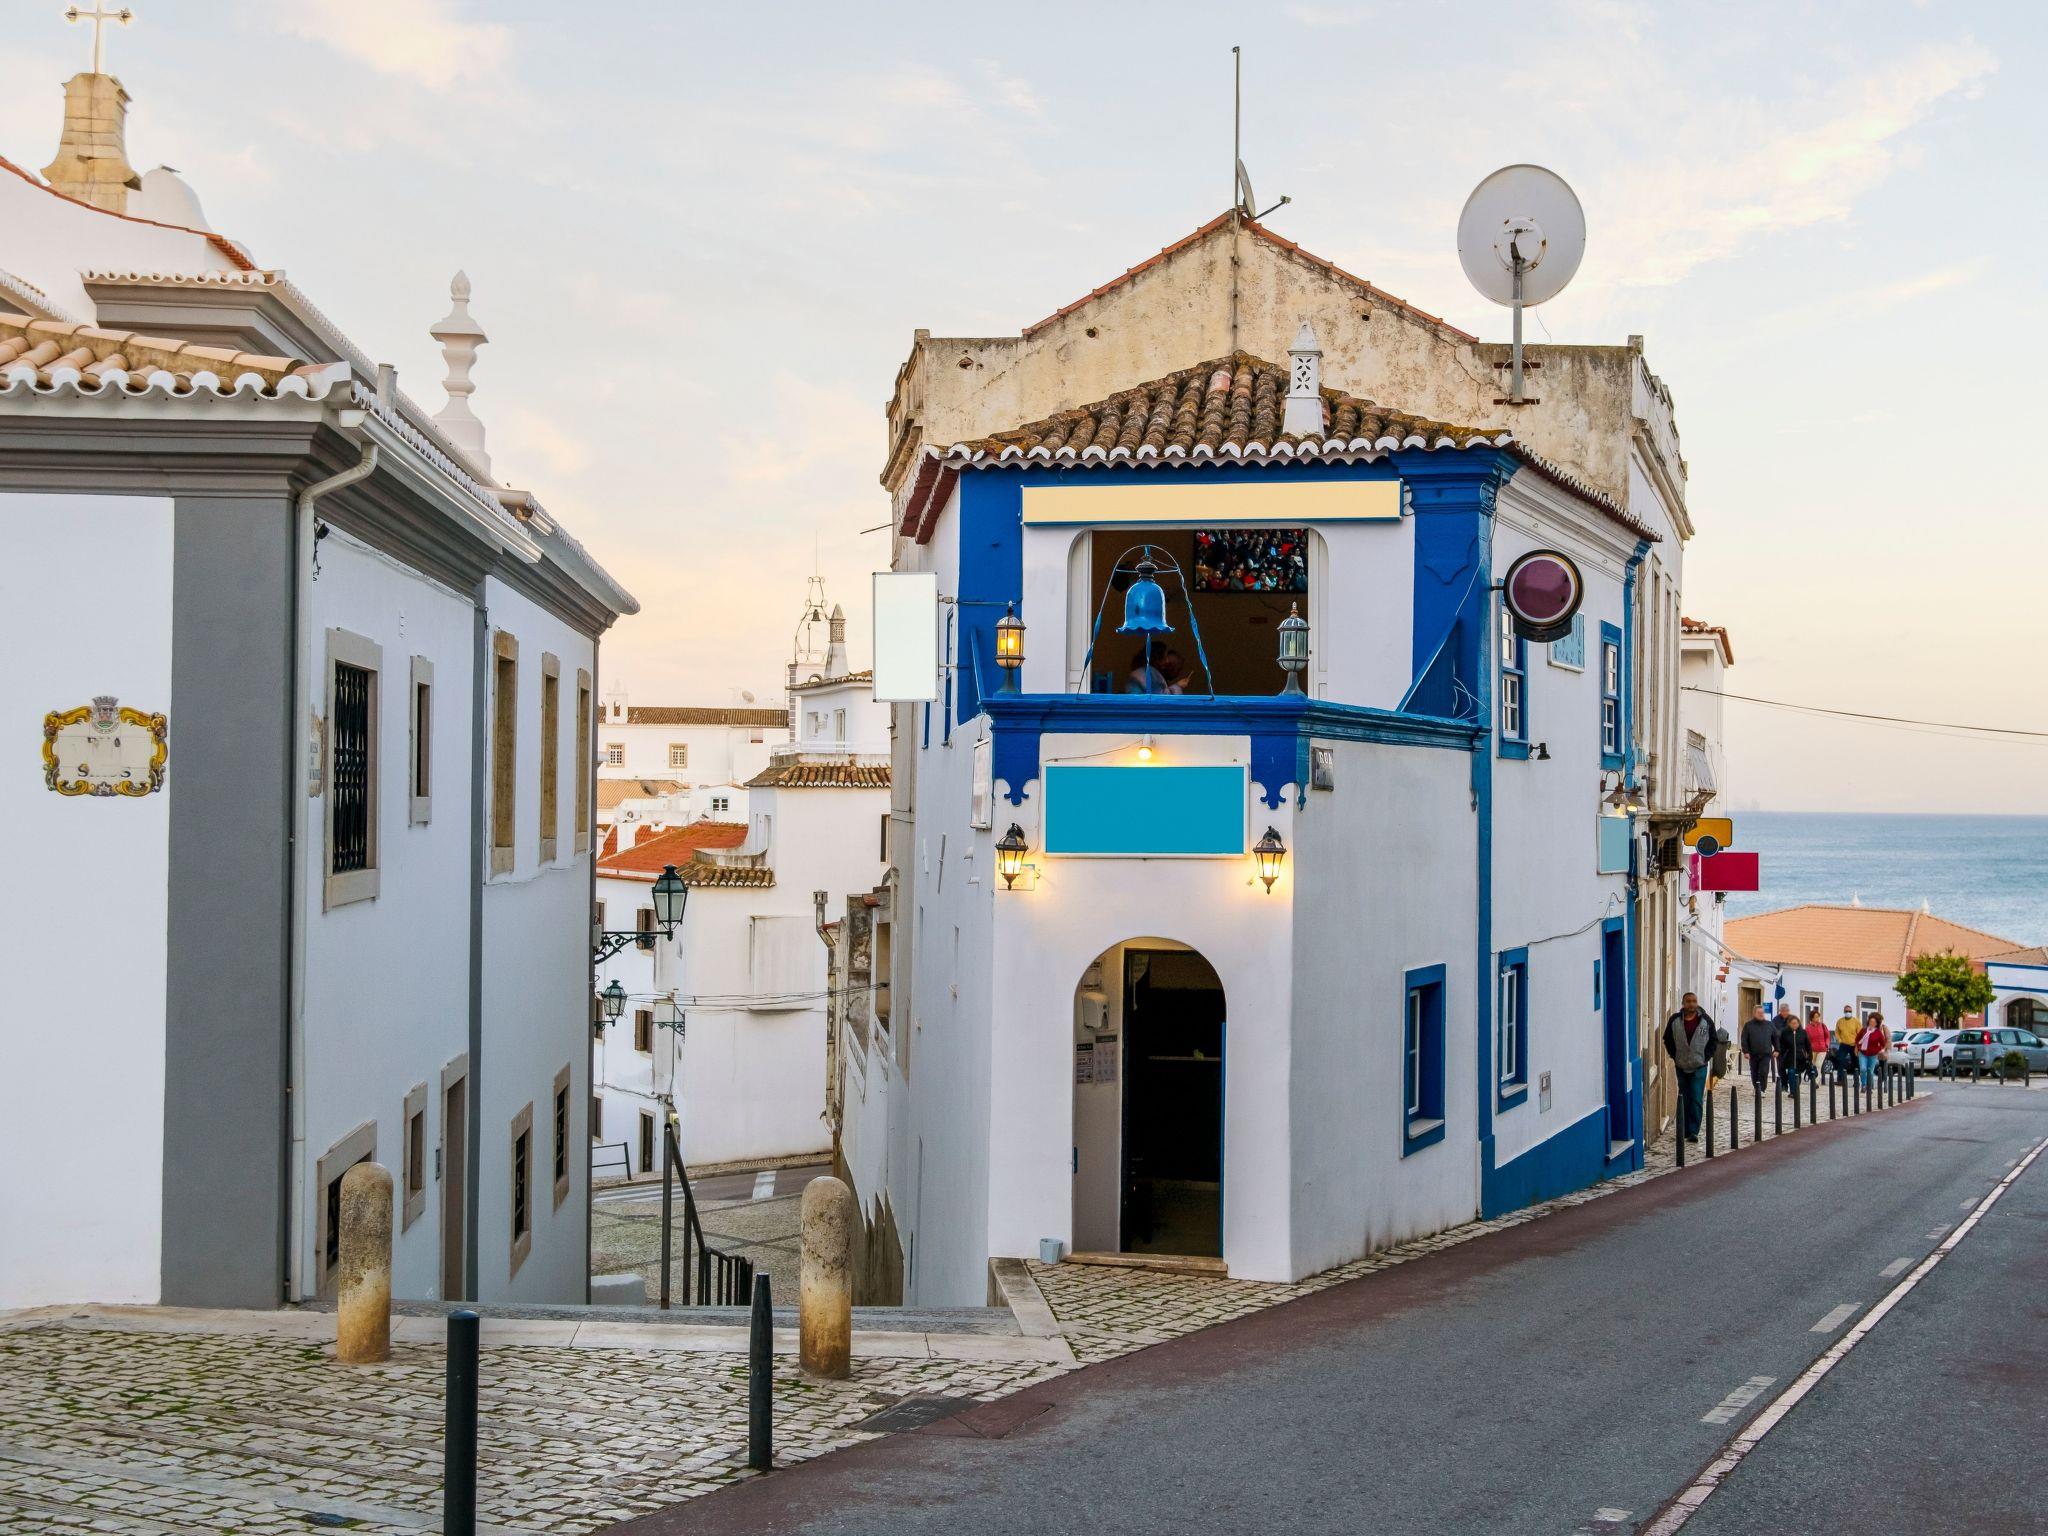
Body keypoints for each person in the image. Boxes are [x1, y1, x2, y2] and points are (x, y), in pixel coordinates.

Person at [1662, 993, 1716, 1142]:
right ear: (1683, 1003)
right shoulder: (1675, 1020)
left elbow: (1713, 1040)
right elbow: (1667, 1039)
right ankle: (1684, 1129)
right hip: (1681, 1065)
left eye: (1694, 1001)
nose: (1692, 1004)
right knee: (1684, 1097)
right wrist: (1675, 1055)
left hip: (1699, 1066)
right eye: (1688, 1001)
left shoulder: (1705, 1020)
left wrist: (1705, 1057)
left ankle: (1693, 1131)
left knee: (1696, 1097)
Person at [1741, 1004, 1775, 1096]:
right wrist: (1746, 1051)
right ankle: (1756, 1088)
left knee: (1764, 1071)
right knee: (1754, 1072)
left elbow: (1775, 1037)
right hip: (1753, 1053)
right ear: (1754, 1013)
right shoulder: (1748, 1025)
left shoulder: (1769, 1025)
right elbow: (1744, 1039)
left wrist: (1777, 1049)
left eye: (1762, 1012)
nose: (1761, 1014)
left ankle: (1762, 1089)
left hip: (1766, 1054)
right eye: (1759, 1013)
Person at [1857, 1010, 1890, 1090]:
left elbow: (1886, 1041)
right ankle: (1866, 1085)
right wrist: (1858, 1047)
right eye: (1870, 1021)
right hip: (1865, 1052)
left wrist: (1881, 1049)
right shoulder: (1864, 1030)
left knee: (1876, 1071)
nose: (1872, 1023)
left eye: (1874, 1021)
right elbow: (1858, 1039)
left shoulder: (1882, 1029)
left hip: (1877, 1054)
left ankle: (1877, 1085)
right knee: (1864, 1069)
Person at [1773, 1005, 1801, 1090]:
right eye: (1783, 1011)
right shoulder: (1775, 1020)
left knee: (1792, 1066)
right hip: (1780, 1047)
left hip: (1792, 1047)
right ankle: (1784, 1084)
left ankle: (1793, 1083)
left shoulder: (1793, 1018)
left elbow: (1800, 1030)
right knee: (1781, 1067)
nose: (1785, 1012)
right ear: (1780, 1011)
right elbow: (1773, 1033)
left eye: (1787, 1011)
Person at [1833, 1007, 1860, 1078]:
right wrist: (1839, 1040)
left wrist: (1857, 1045)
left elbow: (1860, 1034)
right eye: (1846, 1011)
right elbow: (1837, 1032)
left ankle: (1856, 1080)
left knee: (1855, 1062)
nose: (1848, 1012)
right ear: (1844, 1012)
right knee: (1840, 1060)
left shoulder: (1856, 1021)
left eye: (1850, 1011)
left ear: (1852, 1011)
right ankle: (1840, 1079)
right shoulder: (1840, 1021)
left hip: (1854, 1045)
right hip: (1843, 1045)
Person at [1803, 1010, 1830, 1083]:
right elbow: (1806, 1039)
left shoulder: (1822, 1026)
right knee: (1813, 1066)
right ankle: (1812, 1080)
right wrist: (1806, 1050)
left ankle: (1816, 1082)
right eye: (1816, 1017)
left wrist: (1826, 1044)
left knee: (1818, 1065)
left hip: (1822, 1049)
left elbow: (1827, 1036)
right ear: (1811, 1018)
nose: (1817, 1019)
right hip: (1812, 1050)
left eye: (1818, 1017)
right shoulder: (1808, 1028)